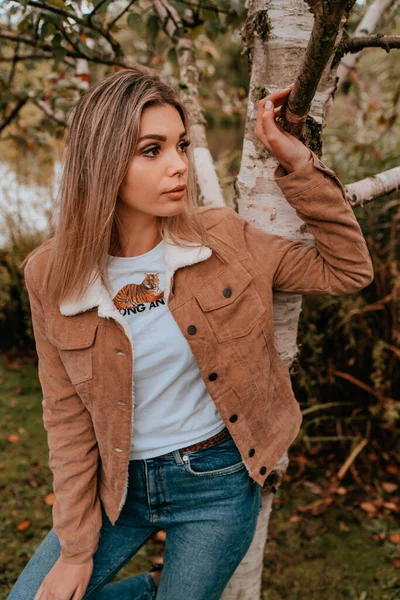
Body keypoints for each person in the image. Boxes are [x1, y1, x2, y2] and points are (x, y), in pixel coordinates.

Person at [9, 68, 373, 600]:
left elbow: (347, 270)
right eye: (151, 150)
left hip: (218, 480)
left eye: (181, 144)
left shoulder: (223, 239)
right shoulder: (51, 274)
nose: (179, 165)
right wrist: (74, 550)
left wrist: (295, 161)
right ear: (103, 162)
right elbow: (65, 416)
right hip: (118, 489)